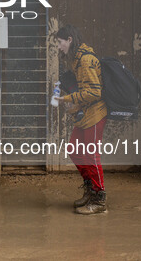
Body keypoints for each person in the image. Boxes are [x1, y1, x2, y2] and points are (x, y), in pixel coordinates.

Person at [55, 25, 108, 215]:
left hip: (95, 114)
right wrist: (73, 104)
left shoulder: (85, 60)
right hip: (85, 114)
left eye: (60, 43)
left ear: (69, 40)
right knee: (74, 149)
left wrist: (67, 99)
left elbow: (94, 92)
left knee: (91, 156)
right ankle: (90, 188)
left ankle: (99, 199)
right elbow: (84, 91)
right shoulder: (77, 60)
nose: (59, 47)